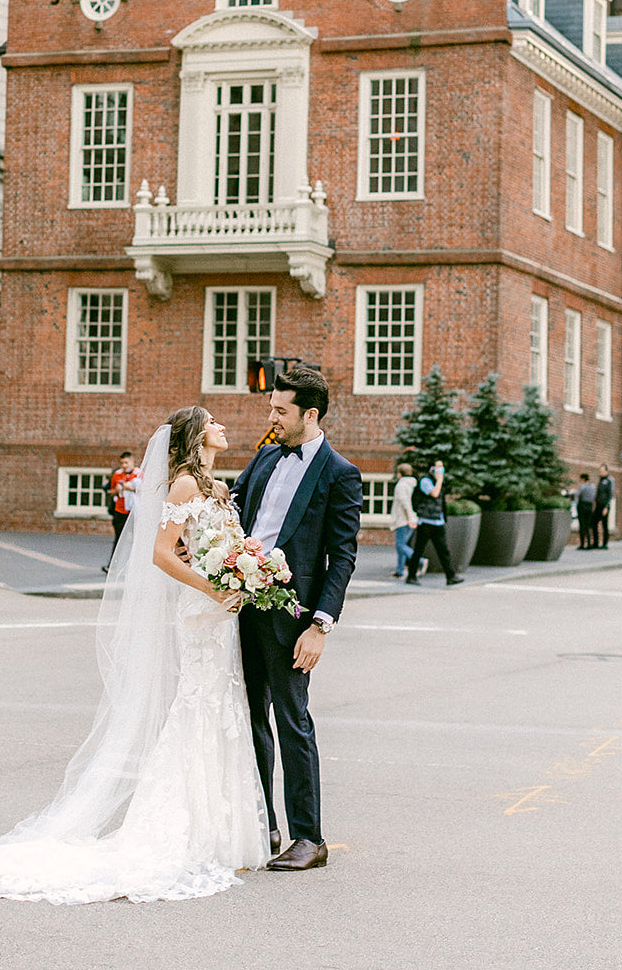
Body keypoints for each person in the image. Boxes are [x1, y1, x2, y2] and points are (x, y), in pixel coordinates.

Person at [0, 405, 268, 904]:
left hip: (223, 614)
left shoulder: (216, 487)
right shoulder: (185, 485)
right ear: (195, 436)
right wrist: (211, 588)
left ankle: (222, 831)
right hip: (202, 610)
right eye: (213, 422)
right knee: (199, 707)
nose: (223, 427)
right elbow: (161, 553)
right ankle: (187, 829)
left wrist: (245, 571)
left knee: (224, 708)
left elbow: (218, 545)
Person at [232, 364, 361, 872]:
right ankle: (263, 824)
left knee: (292, 721)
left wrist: (320, 624)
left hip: (294, 618)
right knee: (248, 718)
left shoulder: (339, 472)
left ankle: (310, 838)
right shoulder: (264, 456)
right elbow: (236, 510)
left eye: (280, 410)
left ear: (309, 414)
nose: (272, 416)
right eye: (271, 407)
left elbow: (342, 555)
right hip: (242, 607)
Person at [404, 460, 464, 586]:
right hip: (426, 522)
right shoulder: (425, 481)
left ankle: (451, 576)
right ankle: (411, 576)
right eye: (438, 467)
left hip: (437, 522)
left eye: (442, 467)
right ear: (431, 468)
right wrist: (440, 479)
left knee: (444, 551)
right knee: (419, 550)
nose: (440, 470)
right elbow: (434, 494)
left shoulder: (436, 480)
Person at [102, 450, 138, 573]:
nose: (124, 465)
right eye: (122, 463)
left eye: (126, 462)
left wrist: (131, 487)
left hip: (134, 511)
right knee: (118, 539)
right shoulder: (117, 474)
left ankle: (135, 566)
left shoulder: (139, 474)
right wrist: (117, 490)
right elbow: (110, 491)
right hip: (120, 510)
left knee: (136, 539)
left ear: (132, 461)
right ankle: (112, 566)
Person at [389, 462, 416, 578]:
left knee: (400, 545)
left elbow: (405, 503)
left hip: (402, 520)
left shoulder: (401, 486)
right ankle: (400, 570)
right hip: (409, 518)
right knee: (402, 545)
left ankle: (418, 560)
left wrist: (410, 518)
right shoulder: (412, 484)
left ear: (400, 474)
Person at [592, 464, 614, 549]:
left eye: (602, 471)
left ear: (606, 471)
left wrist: (606, 507)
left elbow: (610, 494)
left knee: (605, 525)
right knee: (593, 523)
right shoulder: (600, 480)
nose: (600, 472)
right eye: (600, 471)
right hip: (598, 505)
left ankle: (605, 544)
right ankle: (596, 543)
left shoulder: (609, 481)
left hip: (605, 506)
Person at [575, 473, 596, 549]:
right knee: (588, 525)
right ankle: (589, 543)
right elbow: (594, 497)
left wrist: (577, 504)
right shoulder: (593, 487)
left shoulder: (582, 486)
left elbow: (577, 495)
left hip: (582, 506)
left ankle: (582, 544)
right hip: (589, 507)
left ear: (583, 479)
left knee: (582, 525)